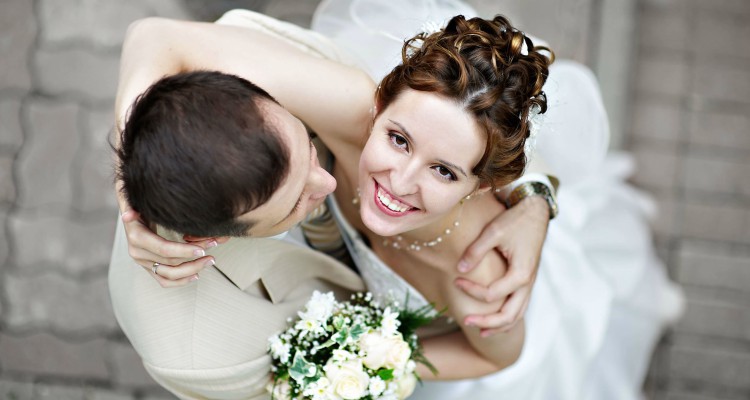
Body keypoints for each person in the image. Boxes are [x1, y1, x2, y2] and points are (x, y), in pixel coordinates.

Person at [113, 2, 683, 399]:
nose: (399, 181)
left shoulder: (480, 271)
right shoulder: (353, 111)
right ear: (381, 105)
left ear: (482, 185)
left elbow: (497, 356)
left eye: (443, 170)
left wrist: (377, 361)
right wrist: (135, 189)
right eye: (398, 139)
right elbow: (154, 37)